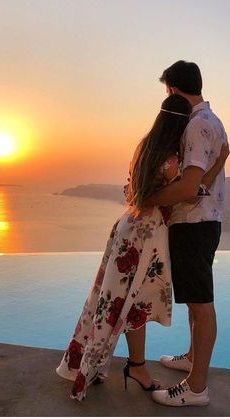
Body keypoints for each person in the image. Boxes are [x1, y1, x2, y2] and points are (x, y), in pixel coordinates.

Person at [56, 93, 227, 402]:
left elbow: (133, 191)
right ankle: (130, 367)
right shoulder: (171, 158)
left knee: (112, 301)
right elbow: (191, 193)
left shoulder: (145, 146)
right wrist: (218, 163)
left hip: (127, 228)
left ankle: (123, 366)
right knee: (127, 304)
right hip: (146, 236)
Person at [148, 60, 229, 407]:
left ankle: (196, 388)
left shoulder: (196, 126)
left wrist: (145, 197)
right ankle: (192, 357)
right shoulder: (213, 121)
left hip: (194, 222)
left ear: (174, 90)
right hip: (205, 221)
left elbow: (188, 187)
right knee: (196, 301)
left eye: (167, 90)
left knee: (201, 304)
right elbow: (214, 165)